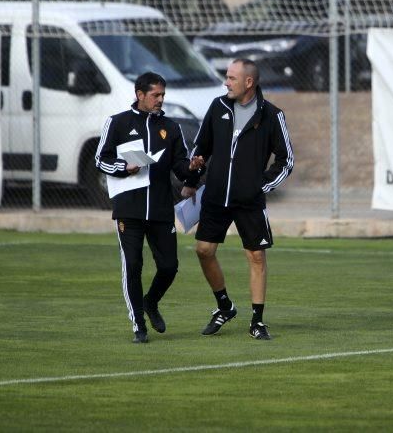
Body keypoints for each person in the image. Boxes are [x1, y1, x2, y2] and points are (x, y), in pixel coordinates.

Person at [184, 58, 294, 340]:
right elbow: (201, 148)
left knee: (256, 256)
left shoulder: (272, 115)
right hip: (216, 196)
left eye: (231, 78)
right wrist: (192, 179)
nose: (225, 82)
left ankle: (257, 322)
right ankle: (224, 306)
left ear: (249, 82)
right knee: (203, 250)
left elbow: (286, 160)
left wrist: (260, 186)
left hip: (249, 201)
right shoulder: (217, 107)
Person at [95, 72, 200, 344]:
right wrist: (123, 168)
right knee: (132, 264)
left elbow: (180, 166)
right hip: (128, 209)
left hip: (161, 209)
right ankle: (138, 325)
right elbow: (101, 159)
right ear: (140, 94)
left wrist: (193, 168)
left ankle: (150, 302)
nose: (160, 100)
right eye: (155, 95)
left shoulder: (171, 127)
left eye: (163, 95)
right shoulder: (117, 123)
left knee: (169, 267)